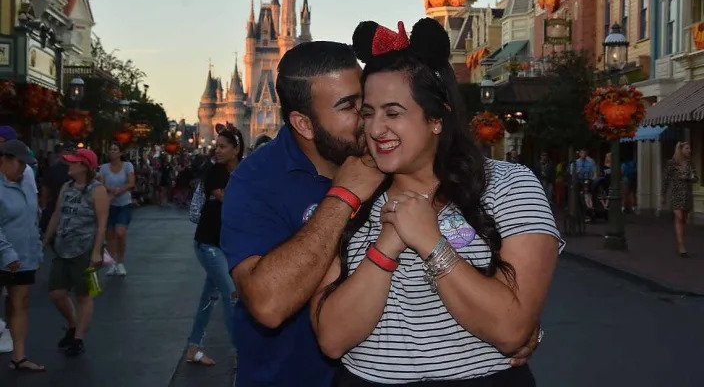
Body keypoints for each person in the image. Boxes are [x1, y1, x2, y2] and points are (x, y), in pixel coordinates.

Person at [221, 41, 541, 386]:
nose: (368, 123)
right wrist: (343, 197)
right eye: (353, 107)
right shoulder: (256, 181)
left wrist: (514, 317)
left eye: (371, 104)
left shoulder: (397, 169)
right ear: (304, 123)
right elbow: (270, 306)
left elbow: (491, 308)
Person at [311, 18, 561, 386]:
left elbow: (510, 329)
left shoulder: (510, 187)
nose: (375, 128)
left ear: (436, 119)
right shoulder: (351, 199)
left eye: (393, 113)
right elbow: (332, 339)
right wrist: (387, 245)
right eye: (368, 112)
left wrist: (431, 242)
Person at [185, 125, 243, 366]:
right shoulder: (215, 172)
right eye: (216, 146)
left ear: (235, 149)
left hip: (225, 245)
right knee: (231, 294)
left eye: (222, 147)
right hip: (208, 244)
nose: (216, 151)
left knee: (208, 298)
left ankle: (193, 347)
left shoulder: (245, 171)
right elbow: (230, 202)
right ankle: (242, 351)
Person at [43, 148, 109, 357]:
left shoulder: (97, 190)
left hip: (84, 249)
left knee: (83, 295)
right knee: (57, 293)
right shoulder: (66, 187)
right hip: (63, 247)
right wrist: (45, 241)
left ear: (84, 166)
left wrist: (96, 252)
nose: (68, 165)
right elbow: (56, 214)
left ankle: (78, 338)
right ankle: (72, 324)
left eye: (73, 162)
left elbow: (101, 224)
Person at [0, 140, 45, 372]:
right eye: (19, 163)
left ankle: (18, 357)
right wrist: (7, 253)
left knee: (20, 302)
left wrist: (36, 250)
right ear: (5, 159)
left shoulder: (26, 184)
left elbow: (31, 219)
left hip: (23, 257)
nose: (23, 169)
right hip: (4, 257)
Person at [98, 143, 135, 277]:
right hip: (109, 204)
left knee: (120, 232)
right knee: (110, 236)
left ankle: (121, 262)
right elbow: (101, 183)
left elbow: (131, 182)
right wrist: (110, 190)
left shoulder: (127, 166)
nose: (112, 152)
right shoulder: (103, 168)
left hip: (124, 204)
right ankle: (112, 264)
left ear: (120, 153)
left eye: (115, 150)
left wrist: (121, 190)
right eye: (110, 150)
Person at [662, 142, 698, 257]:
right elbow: (666, 179)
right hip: (676, 194)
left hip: (687, 195)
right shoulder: (672, 163)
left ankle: (679, 243)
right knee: (679, 218)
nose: (689, 151)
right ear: (681, 149)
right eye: (687, 148)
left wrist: (689, 177)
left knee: (684, 221)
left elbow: (696, 178)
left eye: (689, 148)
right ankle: (682, 246)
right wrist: (663, 194)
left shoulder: (690, 163)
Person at [39, 144, 72, 233]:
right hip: (56, 206)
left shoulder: (74, 170)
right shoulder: (53, 169)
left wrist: (43, 207)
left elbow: (45, 189)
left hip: (66, 208)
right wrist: (43, 206)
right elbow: (45, 189)